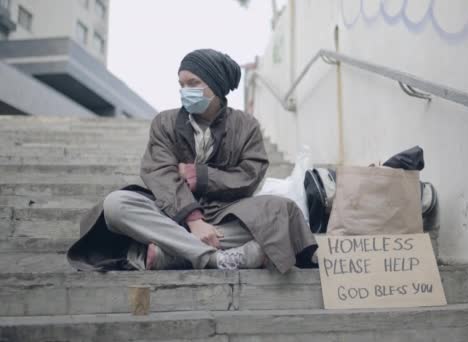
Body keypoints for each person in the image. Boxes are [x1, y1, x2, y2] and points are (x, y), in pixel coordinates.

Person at [67, 49, 318, 273]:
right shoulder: (164, 122)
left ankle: (172, 252)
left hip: (226, 214)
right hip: (171, 212)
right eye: (181, 84)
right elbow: (159, 172)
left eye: (193, 83)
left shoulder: (246, 125)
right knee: (116, 205)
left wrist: (204, 177)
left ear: (217, 86)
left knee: (281, 211)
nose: (185, 91)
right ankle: (213, 260)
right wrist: (193, 219)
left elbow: (250, 175)